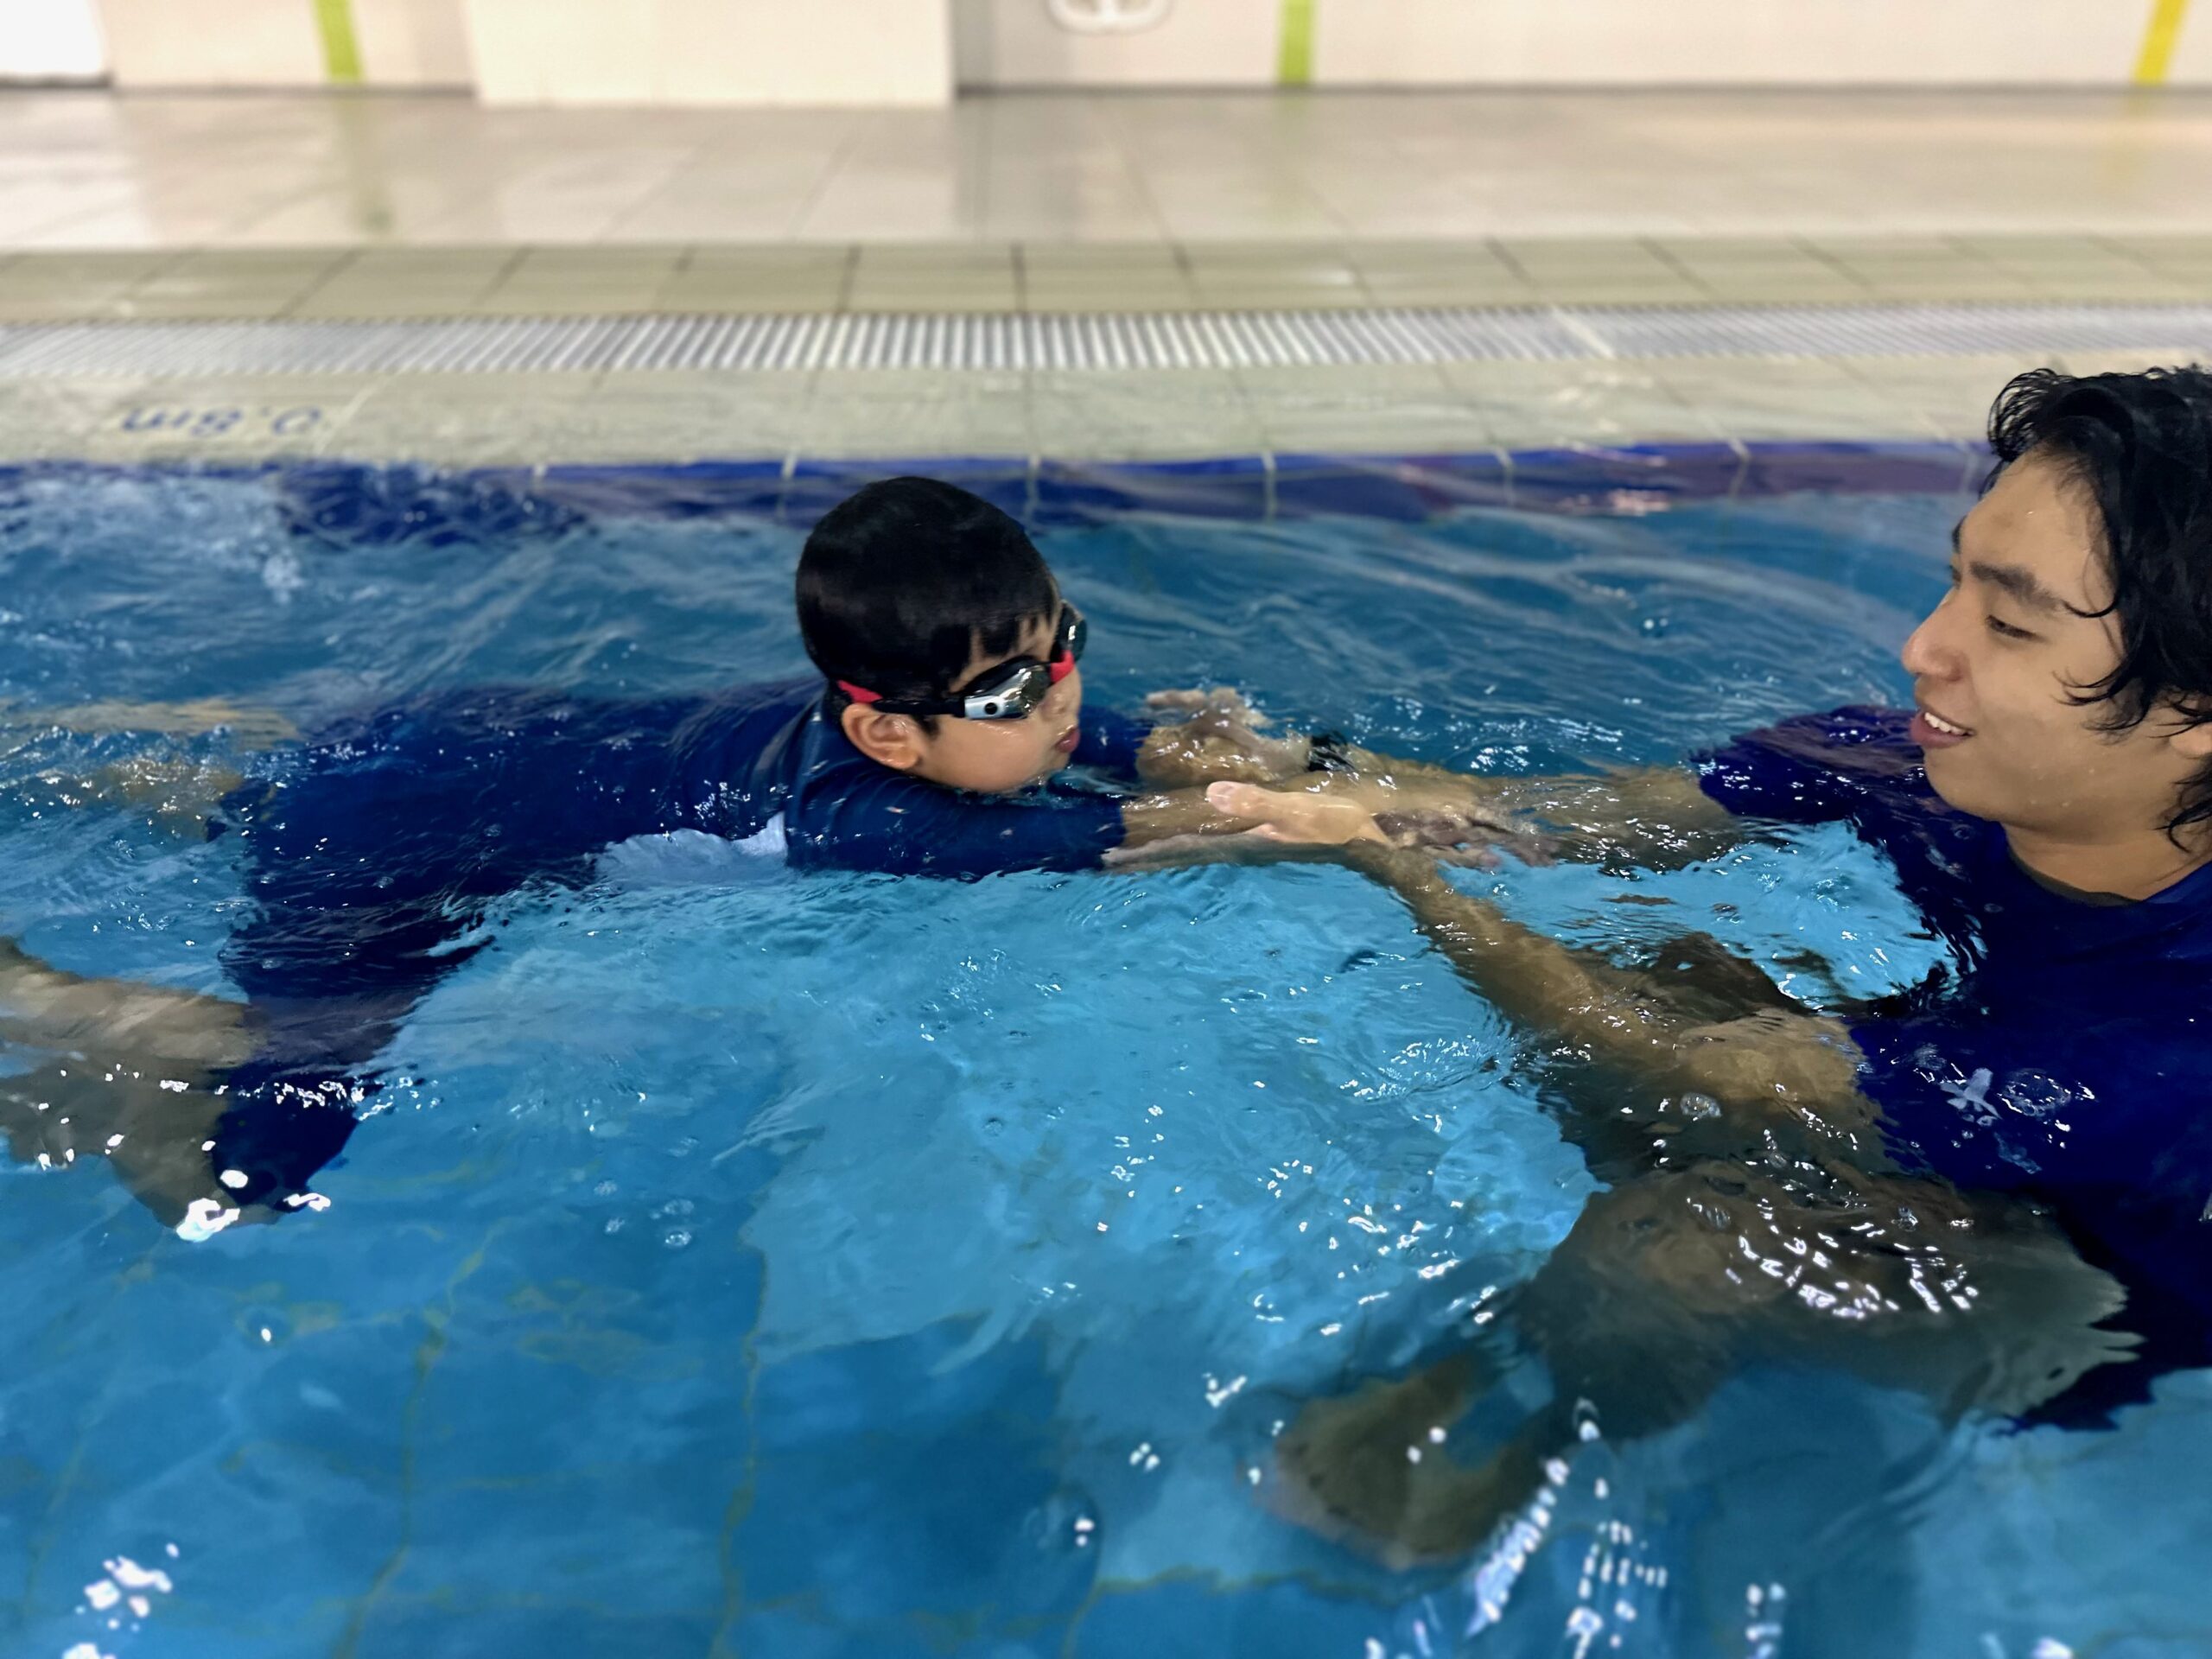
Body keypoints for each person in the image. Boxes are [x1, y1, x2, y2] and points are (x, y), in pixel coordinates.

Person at [1209, 365, 2212, 1564]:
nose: (1923, 649)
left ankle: (1511, 1453)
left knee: (1678, 1238)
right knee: (1658, 942)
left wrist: (1400, 875)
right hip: (1964, 1134)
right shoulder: (1949, 769)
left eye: (2007, 622)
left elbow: (1695, 1066)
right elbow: (1549, 820)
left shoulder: (2168, 1034)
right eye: (1953, 580)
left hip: (2089, 1298)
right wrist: (1295, 772)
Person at [0, 477, 1408, 1236]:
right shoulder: (869, 818)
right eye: (1010, 695)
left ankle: (120, 752)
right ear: (888, 731)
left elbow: (1126, 756)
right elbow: (1139, 839)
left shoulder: (955, 717)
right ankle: (54, 999)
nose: (1056, 704)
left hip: (443, 743)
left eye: (1064, 649)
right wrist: (1315, 817)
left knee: (267, 784)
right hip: (392, 856)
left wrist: (1263, 756)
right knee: (257, 1169)